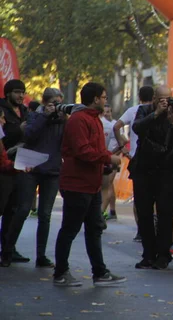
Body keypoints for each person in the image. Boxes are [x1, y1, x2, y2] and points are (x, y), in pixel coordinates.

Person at [53, 83, 125, 287]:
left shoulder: (95, 120)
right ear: (94, 99)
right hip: (77, 184)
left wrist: (104, 166)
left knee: (94, 229)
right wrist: (108, 159)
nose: (105, 100)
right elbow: (82, 151)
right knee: (70, 228)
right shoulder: (78, 120)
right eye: (103, 97)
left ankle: (100, 272)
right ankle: (60, 272)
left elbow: (93, 150)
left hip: (91, 185)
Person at [1, 88, 66, 268]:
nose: (57, 107)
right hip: (30, 168)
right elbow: (29, 135)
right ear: (45, 103)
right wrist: (45, 116)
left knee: (45, 214)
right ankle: (7, 251)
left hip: (52, 170)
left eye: (60, 103)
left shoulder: (63, 120)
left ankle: (41, 255)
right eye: (54, 103)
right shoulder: (35, 116)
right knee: (22, 210)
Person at [131, 86, 173, 270]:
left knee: (165, 214)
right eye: (161, 99)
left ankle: (163, 255)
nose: (165, 102)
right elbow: (137, 128)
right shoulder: (145, 110)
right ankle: (148, 254)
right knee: (144, 213)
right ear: (154, 98)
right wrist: (156, 113)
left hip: (166, 172)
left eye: (168, 99)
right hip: (144, 169)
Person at [113, 86, 154, 242]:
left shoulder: (133, 110)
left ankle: (141, 229)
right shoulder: (157, 110)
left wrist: (123, 146)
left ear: (139, 96)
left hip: (137, 157)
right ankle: (154, 227)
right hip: (156, 158)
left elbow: (117, 126)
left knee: (139, 196)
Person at [0, 79, 30, 264]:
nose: (20, 96)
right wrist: (19, 131)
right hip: (4, 165)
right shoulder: (2, 110)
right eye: (17, 92)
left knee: (16, 208)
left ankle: (9, 248)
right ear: (8, 93)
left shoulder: (26, 112)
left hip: (21, 165)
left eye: (23, 92)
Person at [101, 104, 120, 221]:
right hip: (103, 158)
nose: (106, 114)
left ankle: (102, 212)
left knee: (107, 185)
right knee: (108, 186)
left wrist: (112, 155)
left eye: (108, 111)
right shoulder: (101, 123)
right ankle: (111, 211)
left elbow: (121, 141)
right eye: (104, 112)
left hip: (112, 159)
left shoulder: (115, 125)